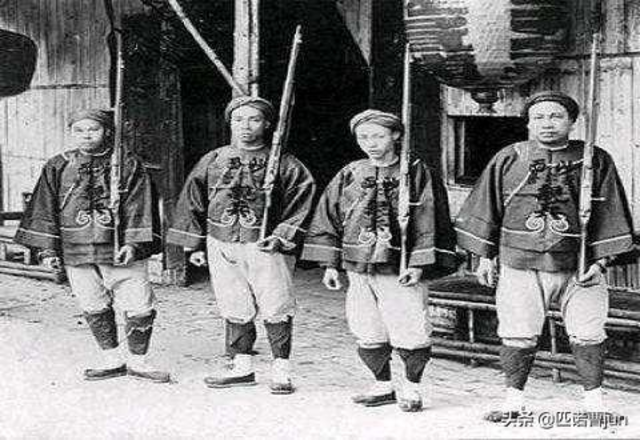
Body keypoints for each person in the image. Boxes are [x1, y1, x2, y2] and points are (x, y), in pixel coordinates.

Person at [454, 91, 636, 421]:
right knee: (517, 331)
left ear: (571, 121)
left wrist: (601, 262)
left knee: (589, 332)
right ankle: (514, 402)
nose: (547, 123)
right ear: (527, 123)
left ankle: (594, 405)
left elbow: (611, 211)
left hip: (580, 265)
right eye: (539, 117)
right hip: (519, 262)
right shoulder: (509, 157)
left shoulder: (595, 158)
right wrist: (484, 256)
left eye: (556, 116)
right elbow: (486, 207)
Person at [301, 109, 458, 412]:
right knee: (366, 325)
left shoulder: (415, 172)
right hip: (358, 264)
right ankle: (382, 384)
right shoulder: (351, 172)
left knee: (409, 324)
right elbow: (329, 215)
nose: (370, 143)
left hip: (399, 266)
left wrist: (417, 263)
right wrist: (330, 264)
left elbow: (430, 217)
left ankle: (412, 388)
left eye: (378, 136)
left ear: (396, 136)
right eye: (364, 137)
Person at [167, 96, 316, 394]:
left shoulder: (284, 162)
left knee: (276, 303)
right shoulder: (214, 160)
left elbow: (303, 200)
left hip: (265, 245)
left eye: (254, 119)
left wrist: (282, 234)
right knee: (233, 302)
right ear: (230, 123)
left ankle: (281, 371)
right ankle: (242, 367)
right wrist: (194, 245)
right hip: (221, 241)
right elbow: (193, 200)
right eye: (239, 120)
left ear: (268, 124)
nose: (245, 126)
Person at [15, 109, 169, 383]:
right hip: (76, 250)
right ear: (71, 132)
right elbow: (44, 208)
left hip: (120, 249)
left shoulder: (127, 164)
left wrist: (133, 243)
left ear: (107, 131)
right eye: (79, 130)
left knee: (138, 305)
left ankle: (139, 361)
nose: (86, 135)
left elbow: (139, 205)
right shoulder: (58, 165)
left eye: (93, 129)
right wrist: (48, 250)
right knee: (93, 303)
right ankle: (112, 359)